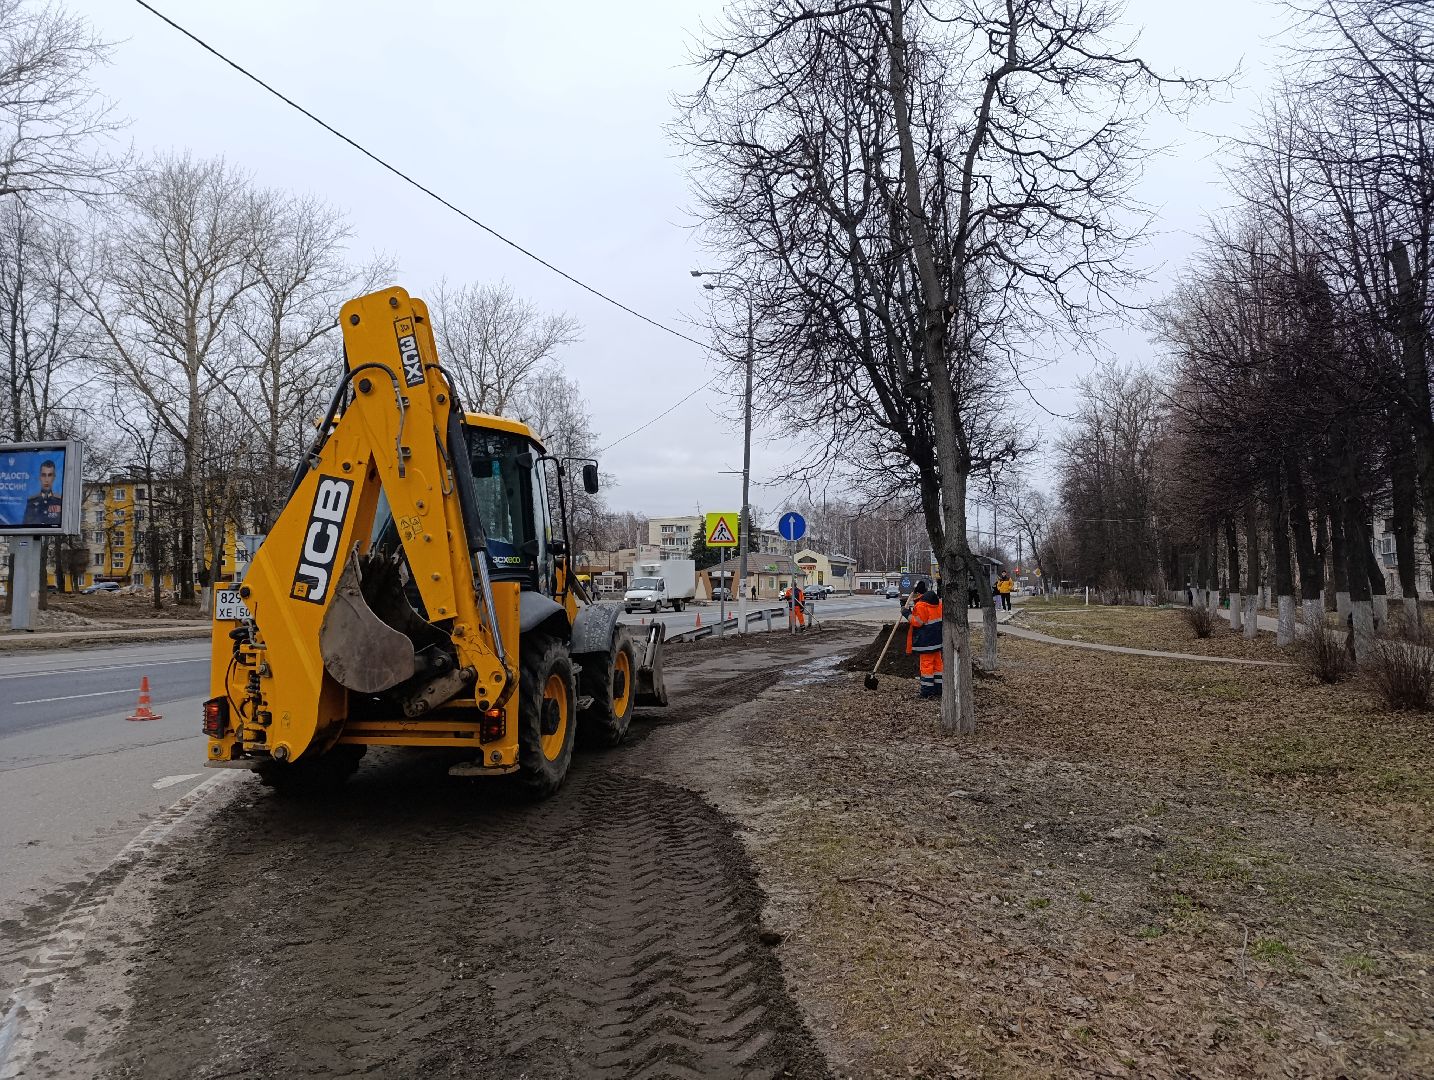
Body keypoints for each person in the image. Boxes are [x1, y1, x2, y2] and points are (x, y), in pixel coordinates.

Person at [904, 581, 943, 698]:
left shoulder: (921, 605)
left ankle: (927, 691)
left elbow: (918, 622)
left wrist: (907, 614)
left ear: (918, 594)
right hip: (937, 640)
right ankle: (939, 688)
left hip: (926, 642)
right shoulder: (938, 602)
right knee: (938, 665)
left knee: (926, 666)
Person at [22, 459, 62, 527]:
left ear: (54, 477)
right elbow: (25, 525)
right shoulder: (31, 501)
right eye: (43, 475)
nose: (46, 480)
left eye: (49, 475)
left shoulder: (60, 501)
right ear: (40, 477)